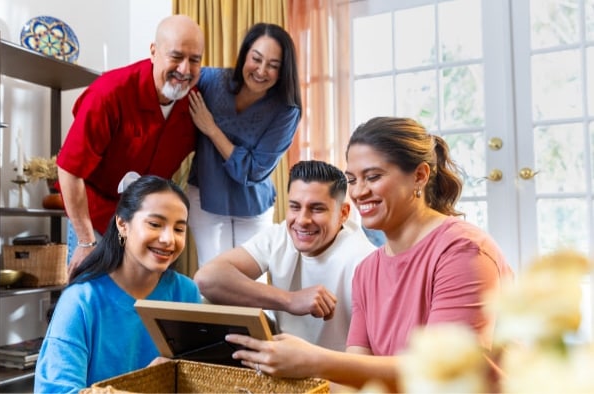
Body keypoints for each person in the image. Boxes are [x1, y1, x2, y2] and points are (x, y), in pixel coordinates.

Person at [224, 117, 514, 391]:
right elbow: (357, 380)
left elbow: (444, 373)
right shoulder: (367, 271)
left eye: (373, 177)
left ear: (420, 177)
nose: (359, 192)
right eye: (352, 180)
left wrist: (314, 360)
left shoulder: (464, 253)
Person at [57, 14, 205, 273]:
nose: (185, 69)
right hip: (96, 218)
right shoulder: (109, 93)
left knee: (141, 306)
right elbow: (69, 170)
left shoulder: (195, 104)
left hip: (146, 224)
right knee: (93, 299)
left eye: (194, 60)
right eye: (176, 56)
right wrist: (85, 240)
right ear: (153, 51)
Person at [34, 175, 201, 393]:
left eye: (179, 229)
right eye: (155, 224)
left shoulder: (186, 293)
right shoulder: (81, 300)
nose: (168, 239)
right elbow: (55, 390)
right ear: (122, 224)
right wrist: (143, 385)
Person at [194, 160, 376, 351]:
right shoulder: (280, 235)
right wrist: (289, 300)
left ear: (343, 213)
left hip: (335, 376)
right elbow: (207, 279)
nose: (302, 220)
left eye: (317, 208)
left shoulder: (364, 260)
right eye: (295, 207)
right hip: (281, 365)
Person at [187, 23, 301, 268]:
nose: (261, 71)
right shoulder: (211, 80)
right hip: (206, 195)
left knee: (250, 283)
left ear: (283, 72)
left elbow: (254, 170)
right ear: (245, 55)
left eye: (273, 65)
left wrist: (211, 129)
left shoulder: (286, 111)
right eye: (256, 59)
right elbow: (175, 78)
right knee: (212, 276)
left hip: (252, 205)